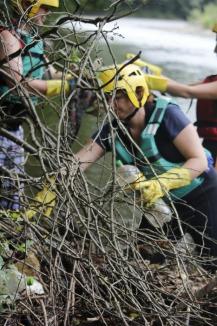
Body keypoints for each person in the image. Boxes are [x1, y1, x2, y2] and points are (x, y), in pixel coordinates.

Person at [74, 62, 217, 270]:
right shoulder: (112, 131)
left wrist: (161, 184)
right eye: (107, 97)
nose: (111, 104)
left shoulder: (168, 114)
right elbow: (78, 161)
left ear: (139, 92)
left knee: (212, 263)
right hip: (164, 206)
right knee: (140, 257)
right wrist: (52, 184)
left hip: (203, 195)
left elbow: (199, 161)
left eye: (118, 96)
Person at [0, 0, 75, 211]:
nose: (48, 14)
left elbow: (49, 74)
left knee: (13, 194)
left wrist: (77, 78)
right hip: (2, 125)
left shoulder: (34, 41)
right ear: (27, 4)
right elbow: (18, 83)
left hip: (15, 129)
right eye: (45, 7)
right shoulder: (7, 37)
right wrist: (61, 87)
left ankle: (11, 236)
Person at [142, 23, 217, 169]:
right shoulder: (212, 81)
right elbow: (184, 88)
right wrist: (152, 75)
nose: (215, 50)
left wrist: (151, 81)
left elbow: (186, 92)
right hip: (211, 145)